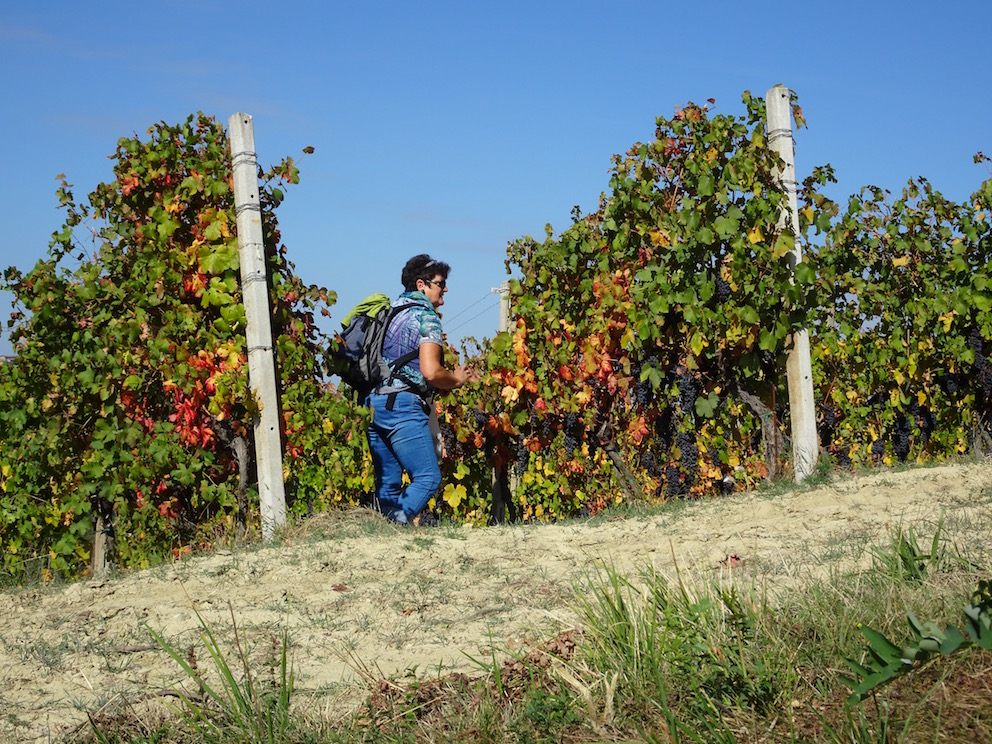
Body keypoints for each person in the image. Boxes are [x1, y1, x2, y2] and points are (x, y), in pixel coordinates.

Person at [365, 254, 476, 525]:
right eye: (440, 283)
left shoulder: (388, 313)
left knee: (388, 484)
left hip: (374, 405)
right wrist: (456, 380)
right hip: (402, 407)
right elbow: (431, 371)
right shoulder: (426, 317)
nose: (445, 289)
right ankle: (394, 527)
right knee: (428, 477)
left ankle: (381, 538)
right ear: (421, 285)